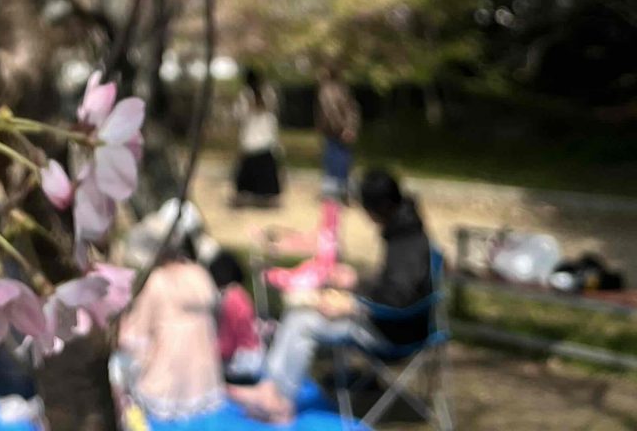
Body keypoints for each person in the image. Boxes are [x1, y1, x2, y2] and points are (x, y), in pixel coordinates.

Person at [231, 170, 434, 424]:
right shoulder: (403, 231)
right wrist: (357, 281)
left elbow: (398, 299)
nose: (367, 217)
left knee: (304, 323)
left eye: (367, 209)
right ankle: (270, 388)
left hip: (395, 333)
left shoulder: (407, 242)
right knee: (299, 312)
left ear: (380, 207)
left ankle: (280, 401)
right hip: (390, 321)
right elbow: (392, 285)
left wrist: (353, 304)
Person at [118, 223, 227, 421]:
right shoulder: (199, 273)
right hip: (204, 366)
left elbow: (139, 329)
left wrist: (123, 330)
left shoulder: (158, 280)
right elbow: (216, 310)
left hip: (167, 365)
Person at [207, 249, 263, 385]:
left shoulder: (229, 299)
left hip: (242, 362)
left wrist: (207, 354)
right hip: (254, 356)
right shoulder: (240, 293)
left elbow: (228, 342)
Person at [232, 69, 282, 206]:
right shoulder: (268, 93)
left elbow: (238, 115)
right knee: (265, 170)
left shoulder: (245, 95)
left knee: (249, 170)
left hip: (251, 139)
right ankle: (266, 195)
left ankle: (247, 194)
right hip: (265, 138)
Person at [315, 64, 360, 203]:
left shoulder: (330, 90)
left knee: (337, 160)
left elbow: (336, 112)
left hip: (335, 130)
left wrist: (345, 128)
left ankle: (338, 190)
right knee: (338, 159)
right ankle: (342, 189)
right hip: (333, 131)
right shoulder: (338, 89)